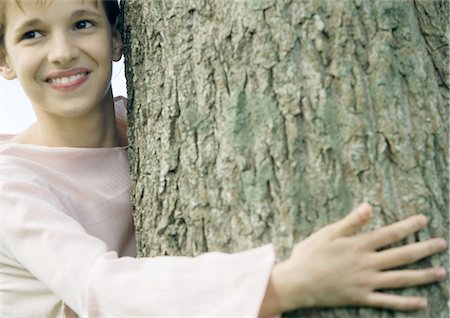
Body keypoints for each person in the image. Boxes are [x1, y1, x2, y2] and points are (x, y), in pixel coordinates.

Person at [0, 0, 447, 317]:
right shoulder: (13, 186)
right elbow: (99, 289)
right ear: (5, 58)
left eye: (82, 23)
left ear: (116, 38)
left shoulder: (146, 121)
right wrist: (288, 285)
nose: (61, 51)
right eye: (32, 33)